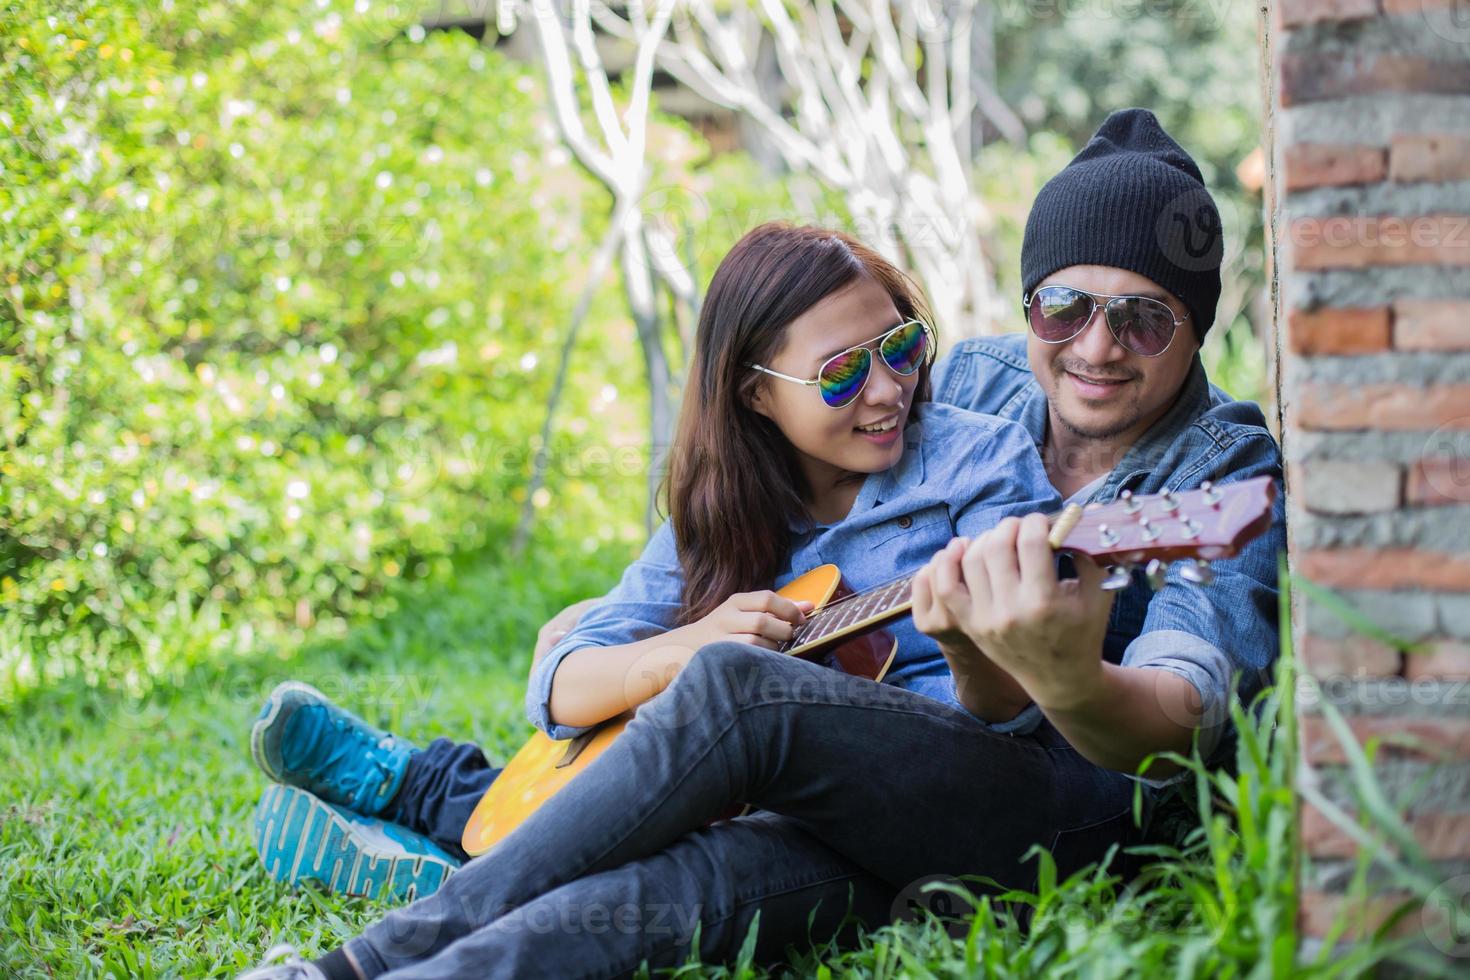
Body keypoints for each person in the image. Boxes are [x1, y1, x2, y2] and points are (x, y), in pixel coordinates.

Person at [241, 108, 1285, 980]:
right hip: (862, 796)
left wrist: (1060, 674)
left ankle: (371, 930)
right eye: (1064, 308)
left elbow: (1184, 716)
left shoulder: (1221, 463)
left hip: (1059, 805)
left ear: (1197, 325)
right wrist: (655, 637)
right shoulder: (969, 378)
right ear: (1028, 308)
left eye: (1146, 319)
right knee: (681, 879)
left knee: (739, 693)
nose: (1096, 346)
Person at [240, 220, 1059, 979]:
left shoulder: (977, 459)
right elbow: (561, 682)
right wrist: (682, 647)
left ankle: (379, 904)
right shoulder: (726, 508)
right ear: (754, 392)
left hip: (935, 802)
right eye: (842, 372)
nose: (887, 389)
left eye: (901, 346)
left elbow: (1010, 717)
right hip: (781, 824)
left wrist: (966, 639)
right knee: (656, 890)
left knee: (737, 692)